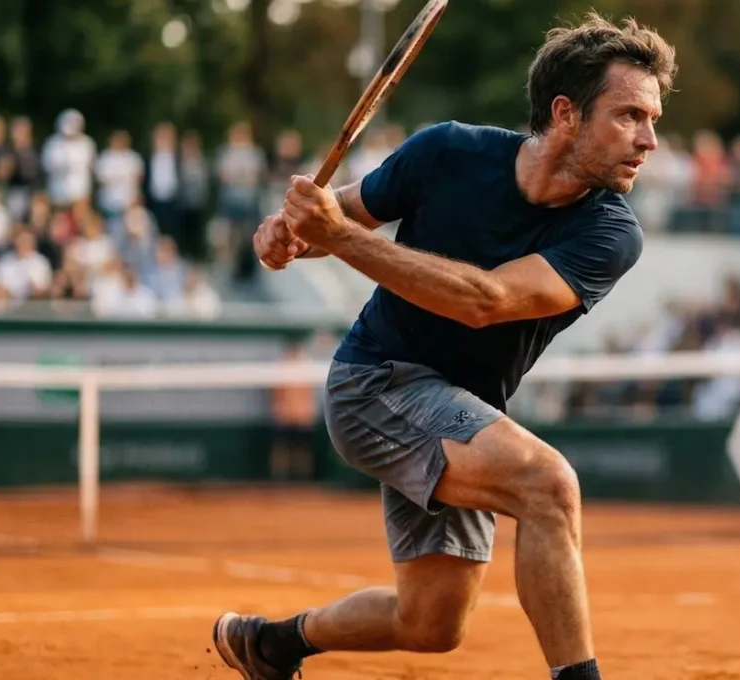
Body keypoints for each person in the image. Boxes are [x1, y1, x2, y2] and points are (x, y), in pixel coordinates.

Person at [210, 12, 676, 680]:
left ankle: (272, 643)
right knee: (548, 487)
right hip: (376, 383)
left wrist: (334, 235)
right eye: (630, 115)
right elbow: (333, 220)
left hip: (461, 409)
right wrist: (286, 235)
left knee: (430, 624)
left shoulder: (612, 232)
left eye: (652, 118)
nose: (649, 140)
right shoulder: (447, 151)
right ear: (566, 113)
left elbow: (484, 301)